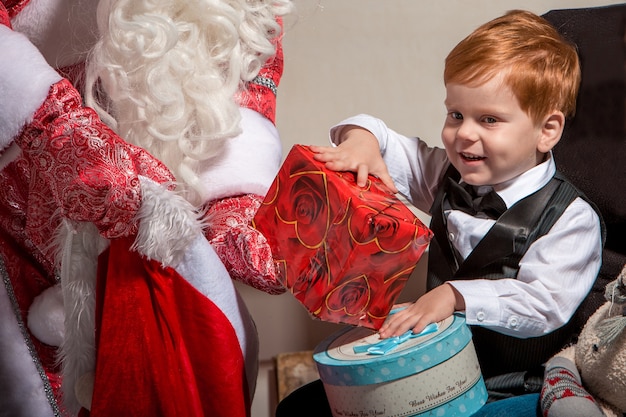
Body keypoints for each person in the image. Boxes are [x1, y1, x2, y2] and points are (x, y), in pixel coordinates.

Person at [276, 9, 603, 417]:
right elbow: (382, 138)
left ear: (547, 131)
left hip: (515, 385)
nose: (464, 133)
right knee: (298, 408)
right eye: (456, 115)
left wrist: (454, 294)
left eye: (489, 119)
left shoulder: (572, 219)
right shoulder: (446, 175)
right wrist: (359, 142)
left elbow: (543, 303)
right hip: (434, 372)